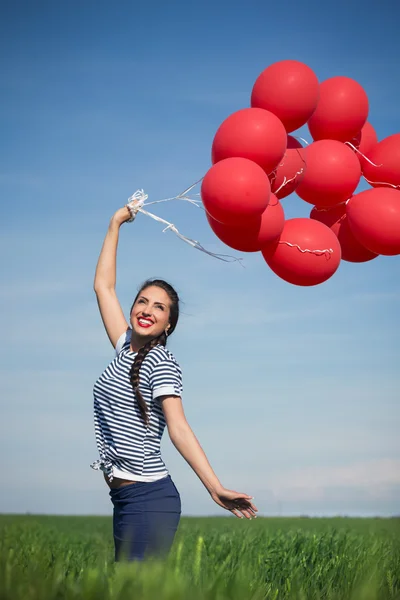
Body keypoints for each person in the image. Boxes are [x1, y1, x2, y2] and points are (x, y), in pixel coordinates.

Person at [90, 200, 258, 562]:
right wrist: (115, 222)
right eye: (142, 301)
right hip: (126, 499)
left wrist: (214, 488)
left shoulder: (160, 362)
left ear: (169, 324)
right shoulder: (124, 348)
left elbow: (179, 428)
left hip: (149, 501)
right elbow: (103, 287)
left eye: (159, 307)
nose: (146, 311)